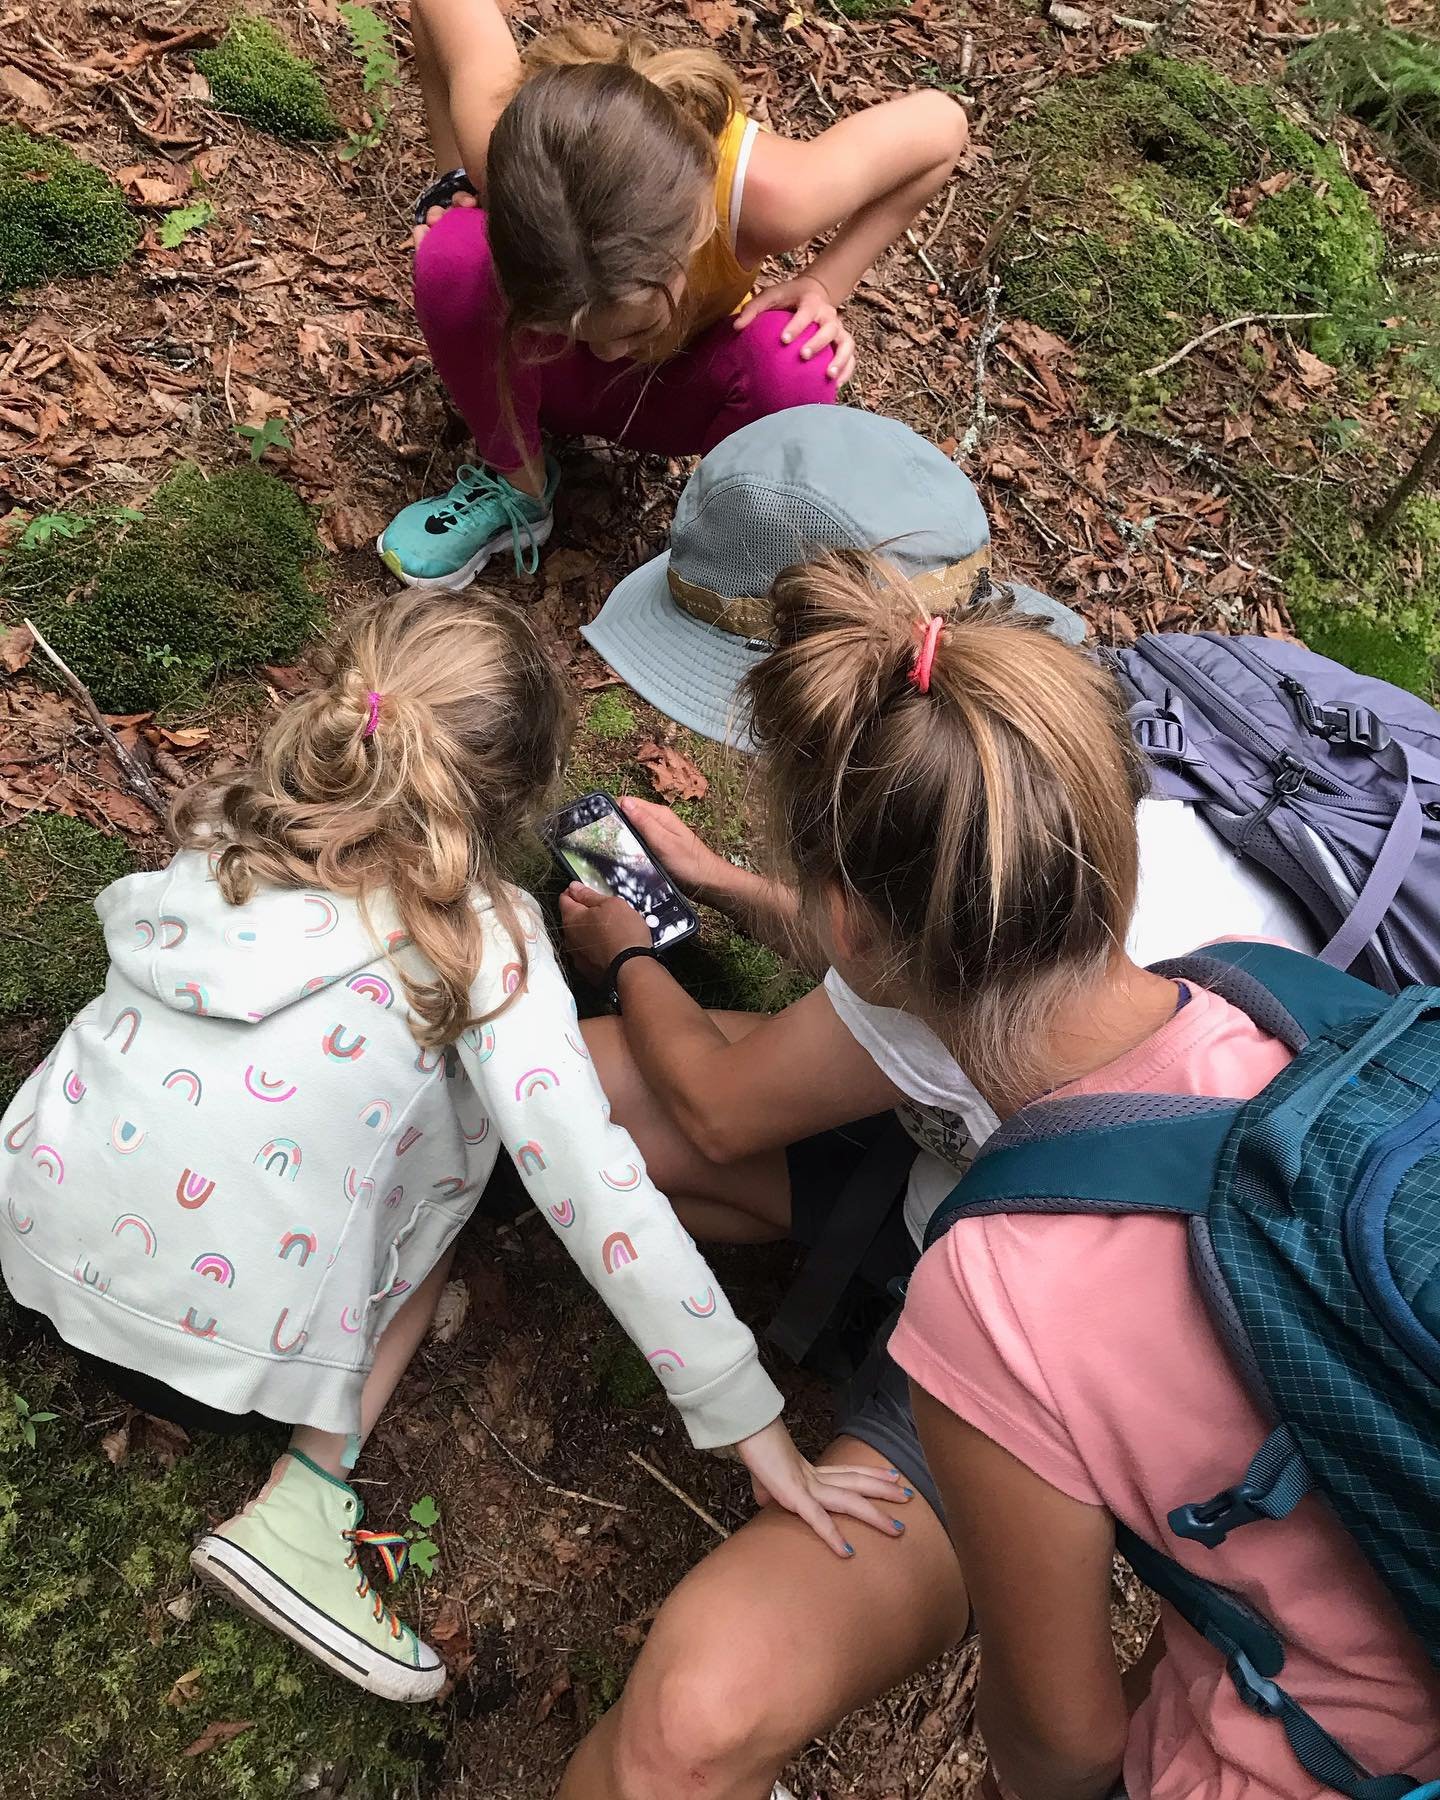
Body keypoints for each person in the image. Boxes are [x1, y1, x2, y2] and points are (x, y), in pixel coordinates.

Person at [553, 410, 1339, 1800]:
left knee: (683, 1727)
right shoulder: (1169, 898)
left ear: (863, 928)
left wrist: (623, 947)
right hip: (1039, 1240)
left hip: (1013, 1341)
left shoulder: (1007, 1295)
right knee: (582, 1114)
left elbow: (1062, 1747)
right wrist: (736, 892)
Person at [0, 588, 906, 1707]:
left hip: (31, 1231)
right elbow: (593, 1187)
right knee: (467, 1153)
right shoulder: (493, 943)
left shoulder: (221, 822)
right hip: (217, 1354)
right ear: (516, 792)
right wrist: (749, 1417)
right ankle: (303, 1504)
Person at [378, 3, 968, 587]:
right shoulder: (510, 156)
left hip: (669, 392)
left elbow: (941, 127)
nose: (610, 352)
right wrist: (457, 179)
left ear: (695, 230)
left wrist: (823, 284)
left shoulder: (770, 196)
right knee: (455, 252)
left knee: (797, 360)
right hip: (532, 371)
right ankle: (519, 486)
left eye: (633, 326)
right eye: (580, 328)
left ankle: (721, 541)